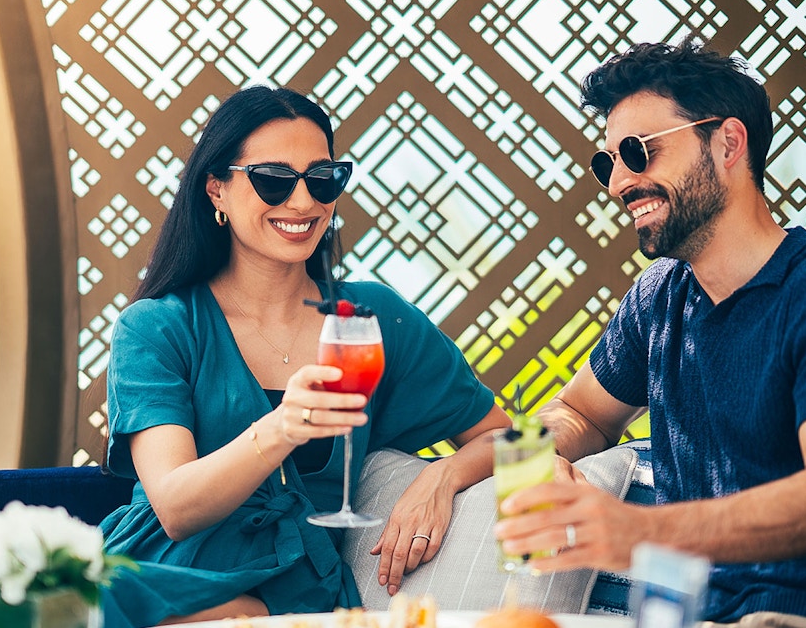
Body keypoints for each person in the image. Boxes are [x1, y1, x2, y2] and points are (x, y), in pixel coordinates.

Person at [492, 41, 806, 627]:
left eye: (638, 152)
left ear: (728, 142)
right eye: (607, 163)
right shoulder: (659, 298)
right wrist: (535, 453)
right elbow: (580, 413)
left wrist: (636, 531)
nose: (618, 183)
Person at [97, 85, 510, 627]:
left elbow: (506, 436)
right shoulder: (157, 327)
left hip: (300, 582)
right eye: (273, 180)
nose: (303, 202)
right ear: (216, 189)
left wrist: (444, 476)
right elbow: (175, 508)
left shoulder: (369, 316)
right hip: (165, 574)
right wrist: (283, 428)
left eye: (322, 179)